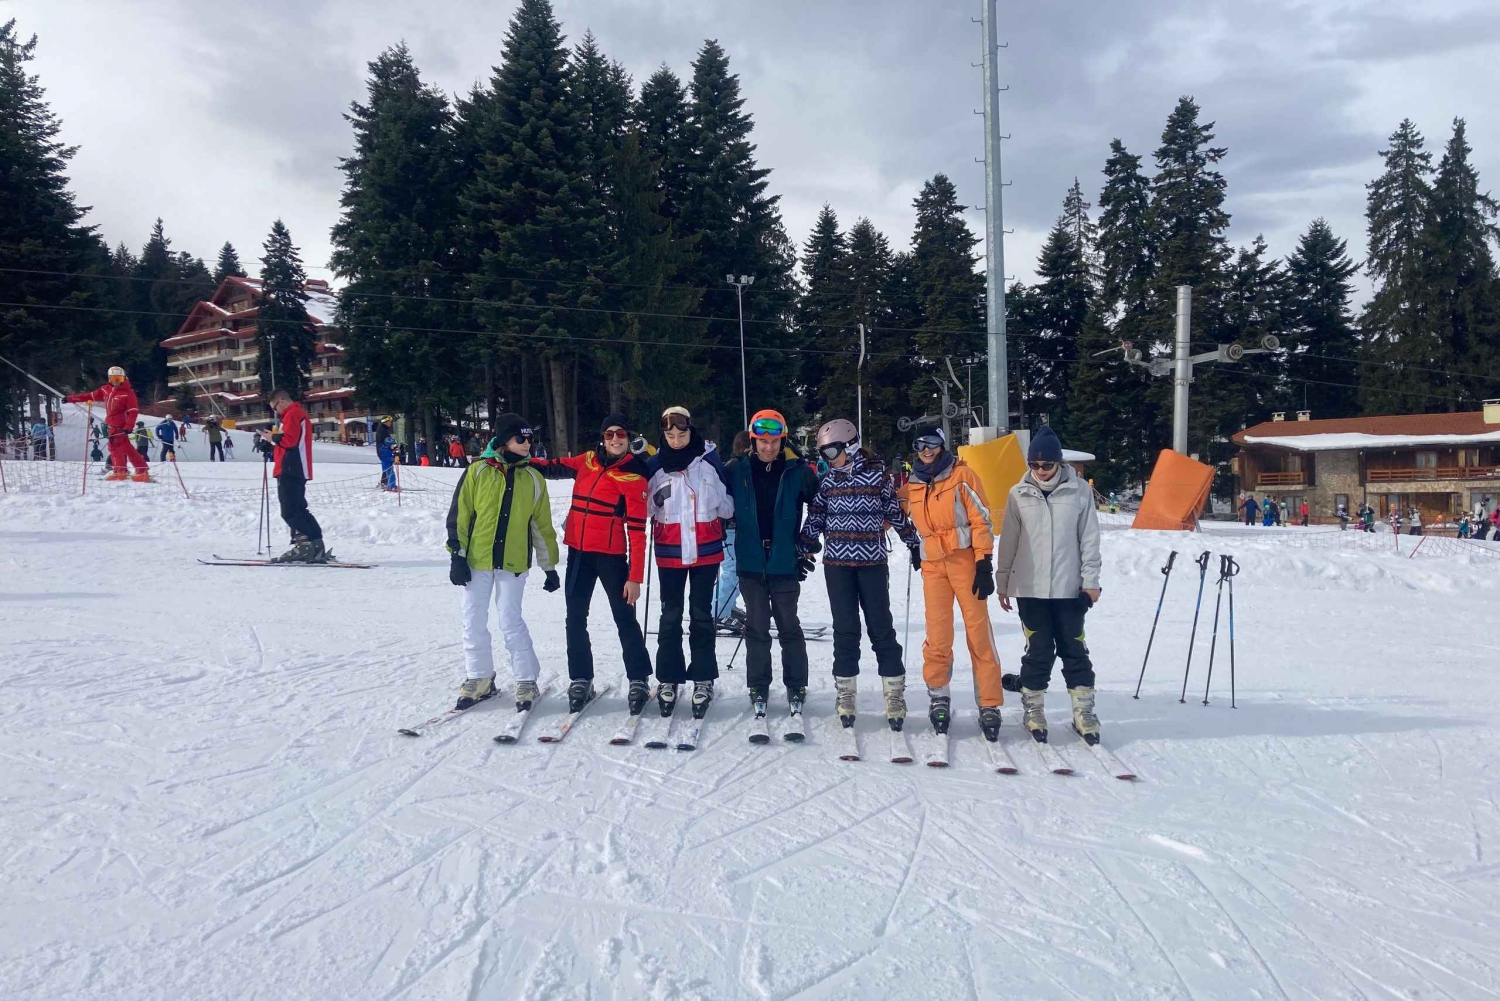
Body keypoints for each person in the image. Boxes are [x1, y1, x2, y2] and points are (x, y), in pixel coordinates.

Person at [798, 418, 917, 732]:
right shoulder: (828, 482)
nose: (828, 458)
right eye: (822, 453)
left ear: (850, 445)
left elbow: (894, 512)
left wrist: (913, 542)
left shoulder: (878, 476)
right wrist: (804, 545)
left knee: (881, 628)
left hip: (872, 565)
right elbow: (816, 517)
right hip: (837, 566)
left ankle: (894, 694)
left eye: (832, 451)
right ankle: (846, 694)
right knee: (845, 630)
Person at [532, 413, 653, 716]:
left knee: (624, 619)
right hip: (578, 555)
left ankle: (638, 679)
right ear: (603, 437)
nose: (615, 439)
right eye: (609, 434)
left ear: (628, 438)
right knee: (574, 618)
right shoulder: (586, 462)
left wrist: (635, 577)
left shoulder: (634, 477)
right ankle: (581, 679)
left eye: (620, 435)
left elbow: (638, 533)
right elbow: (551, 467)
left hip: (612, 558)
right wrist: (518, 460)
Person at [993, 427, 1103, 745]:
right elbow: (1009, 542)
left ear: (1058, 463)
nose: (1040, 471)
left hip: (1070, 589)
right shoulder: (1018, 493)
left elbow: (1090, 540)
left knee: (1074, 648)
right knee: (1039, 649)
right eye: (1034, 465)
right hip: (1030, 588)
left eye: (1046, 465)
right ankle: (1034, 708)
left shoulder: (1079, 491)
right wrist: (1003, 583)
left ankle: (1083, 710)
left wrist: (1091, 582)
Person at [445, 414, 560, 711]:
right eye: (520, 439)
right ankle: (479, 676)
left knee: (510, 619)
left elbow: (541, 526)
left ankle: (526, 679)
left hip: (513, 562)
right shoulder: (477, 472)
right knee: (472, 619)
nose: (527, 444)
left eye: (530, 439)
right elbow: (460, 517)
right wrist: (457, 557)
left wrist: (549, 567)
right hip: (477, 561)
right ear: (504, 440)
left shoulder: (533, 478)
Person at [898, 427, 1003, 736]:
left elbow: (981, 519)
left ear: (943, 445)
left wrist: (984, 561)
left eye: (932, 443)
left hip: (964, 561)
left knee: (978, 631)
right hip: (932, 565)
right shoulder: (913, 484)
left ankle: (989, 702)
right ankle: (938, 694)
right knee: (938, 632)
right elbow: (891, 507)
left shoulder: (962, 476)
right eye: (920, 444)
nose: (926, 449)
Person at [724, 409, 821, 722]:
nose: (768, 447)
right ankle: (758, 685)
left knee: (789, 627)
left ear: (783, 439)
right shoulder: (736, 469)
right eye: (762, 441)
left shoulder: (798, 470)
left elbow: (820, 508)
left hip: (783, 562)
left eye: (774, 441)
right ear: (753, 440)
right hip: (750, 562)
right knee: (756, 628)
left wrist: (806, 545)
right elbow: (714, 501)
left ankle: (796, 685)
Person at [645, 406, 734, 723]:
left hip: (705, 551)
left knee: (700, 616)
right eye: (670, 434)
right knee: (670, 615)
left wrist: (717, 506)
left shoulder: (709, 462)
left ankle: (703, 678)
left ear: (691, 431)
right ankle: (668, 677)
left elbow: (728, 503)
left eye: (681, 433)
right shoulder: (655, 466)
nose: (677, 439)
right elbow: (641, 506)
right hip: (669, 552)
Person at [267, 388, 328, 563]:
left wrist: (273, 437)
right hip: (295, 467)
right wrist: (272, 440)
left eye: (275, 407)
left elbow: (289, 441)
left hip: (290, 468)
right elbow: (288, 441)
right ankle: (316, 543)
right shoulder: (294, 415)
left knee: (289, 510)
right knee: (299, 509)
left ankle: (304, 546)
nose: (276, 412)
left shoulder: (292, 414)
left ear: (282, 401)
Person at [64, 366, 150, 481]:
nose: (116, 381)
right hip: (111, 424)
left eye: (119, 378)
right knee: (126, 448)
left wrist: (129, 426)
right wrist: (70, 398)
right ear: (109, 379)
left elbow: (133, 411)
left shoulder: (128, 393)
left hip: (120, 426)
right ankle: (141, 469)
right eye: (114, 378)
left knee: (114, 447)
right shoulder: (105, 390)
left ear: (124, 378)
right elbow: (89, 396)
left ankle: (120, 471)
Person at [712, 431, 752, 632]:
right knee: (732, 571)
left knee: (738, 571)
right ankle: (718, 613)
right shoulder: (734, 468)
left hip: (739, 529)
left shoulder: (744, 467)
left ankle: (726, 605)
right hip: (729, 529)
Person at [375, 416, 397, 490]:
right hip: (383, 452)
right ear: (386, 422)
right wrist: (392, 446)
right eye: (389, 422)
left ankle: (385, 483)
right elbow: (385, 442)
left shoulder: (383, 429)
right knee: (388, 468)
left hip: (384, 451)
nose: (390, 423)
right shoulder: (382, 430)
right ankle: (387, 484)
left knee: (387, 468)